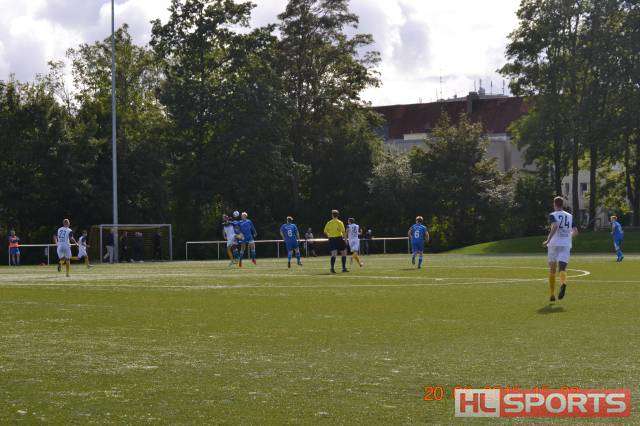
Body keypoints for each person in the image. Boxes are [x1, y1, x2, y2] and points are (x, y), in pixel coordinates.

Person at [543, 197, 579, 302]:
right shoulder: (569, 216)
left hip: (554, 244)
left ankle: (552, 294)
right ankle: (563, 283)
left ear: (554, 204)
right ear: (562, 204)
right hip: (566, 244)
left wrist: (548, 240)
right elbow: (576, 232)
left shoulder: (553, 215)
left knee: (552, 269)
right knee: (562, 268)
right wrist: (567, 236)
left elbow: (555, 226)